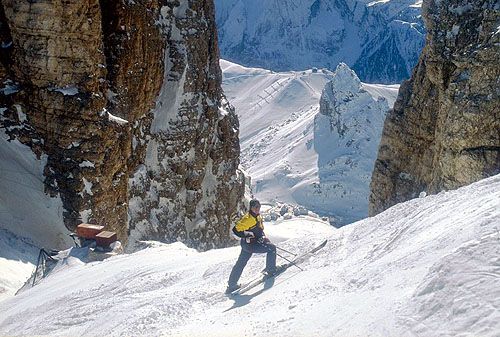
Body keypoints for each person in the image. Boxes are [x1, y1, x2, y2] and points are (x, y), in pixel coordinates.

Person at [226, 199, 278, 294]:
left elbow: (259, 229)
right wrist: (247, 235)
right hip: (251, 245)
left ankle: (231, 284)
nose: (257, 209)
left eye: (259, 207)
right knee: (272, 249)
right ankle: (271, 271)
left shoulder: (257, 216)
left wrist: (263, 237)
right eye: (255, 207)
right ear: (251, 208)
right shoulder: (248, 219)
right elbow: (235, 230)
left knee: (240, 263)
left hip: (247, 244)